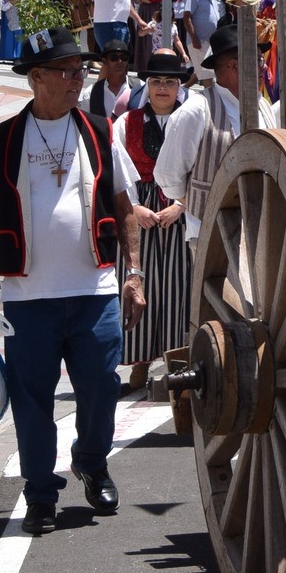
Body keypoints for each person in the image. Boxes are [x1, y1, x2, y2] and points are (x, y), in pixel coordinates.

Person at [0, 28, 144, 536]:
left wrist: (133, 273)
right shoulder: (0, 140)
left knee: (101, 388)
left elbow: (125, 207)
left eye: (78, 70)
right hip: (27, 299)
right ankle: (40, 493)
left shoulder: (101, 131)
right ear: (35, 78)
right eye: (65, 71)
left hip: (95, 292)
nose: (75, 78)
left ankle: (91, 459)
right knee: (33, 400)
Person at [154, 20, 276, 246]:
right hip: (211, 236)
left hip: (262, 234)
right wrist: (200, 201)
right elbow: (167, 175)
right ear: (234, 65)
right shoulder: (196, 109)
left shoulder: (264, 107)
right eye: (259, 61)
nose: (264, 67)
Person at [110, 50, 192, 387]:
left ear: (177, 86)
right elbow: (116, 171)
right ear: (147, 85)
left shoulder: (190, 120)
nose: (162, 88)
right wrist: (133, 207)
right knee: (137, 280)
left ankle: (177, 357)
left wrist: (182, 204)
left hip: (176, 208)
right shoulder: (126, 123)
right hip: (137, 208)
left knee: (177, 284)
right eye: (156, 81)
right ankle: (139, 360)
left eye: (169, 82)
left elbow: (202, 167)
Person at [179, 0, 225, 69]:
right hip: (200, 42)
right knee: (206, 74)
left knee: (204, 73)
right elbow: (187, 17)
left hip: (210, 42)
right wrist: (194, 38)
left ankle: (186, 85)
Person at [86, 41, 143, 120]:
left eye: (123, 58)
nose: (119, 61)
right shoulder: (91, 92)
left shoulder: (140, 87)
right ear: (104, 61)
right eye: (114, 58)